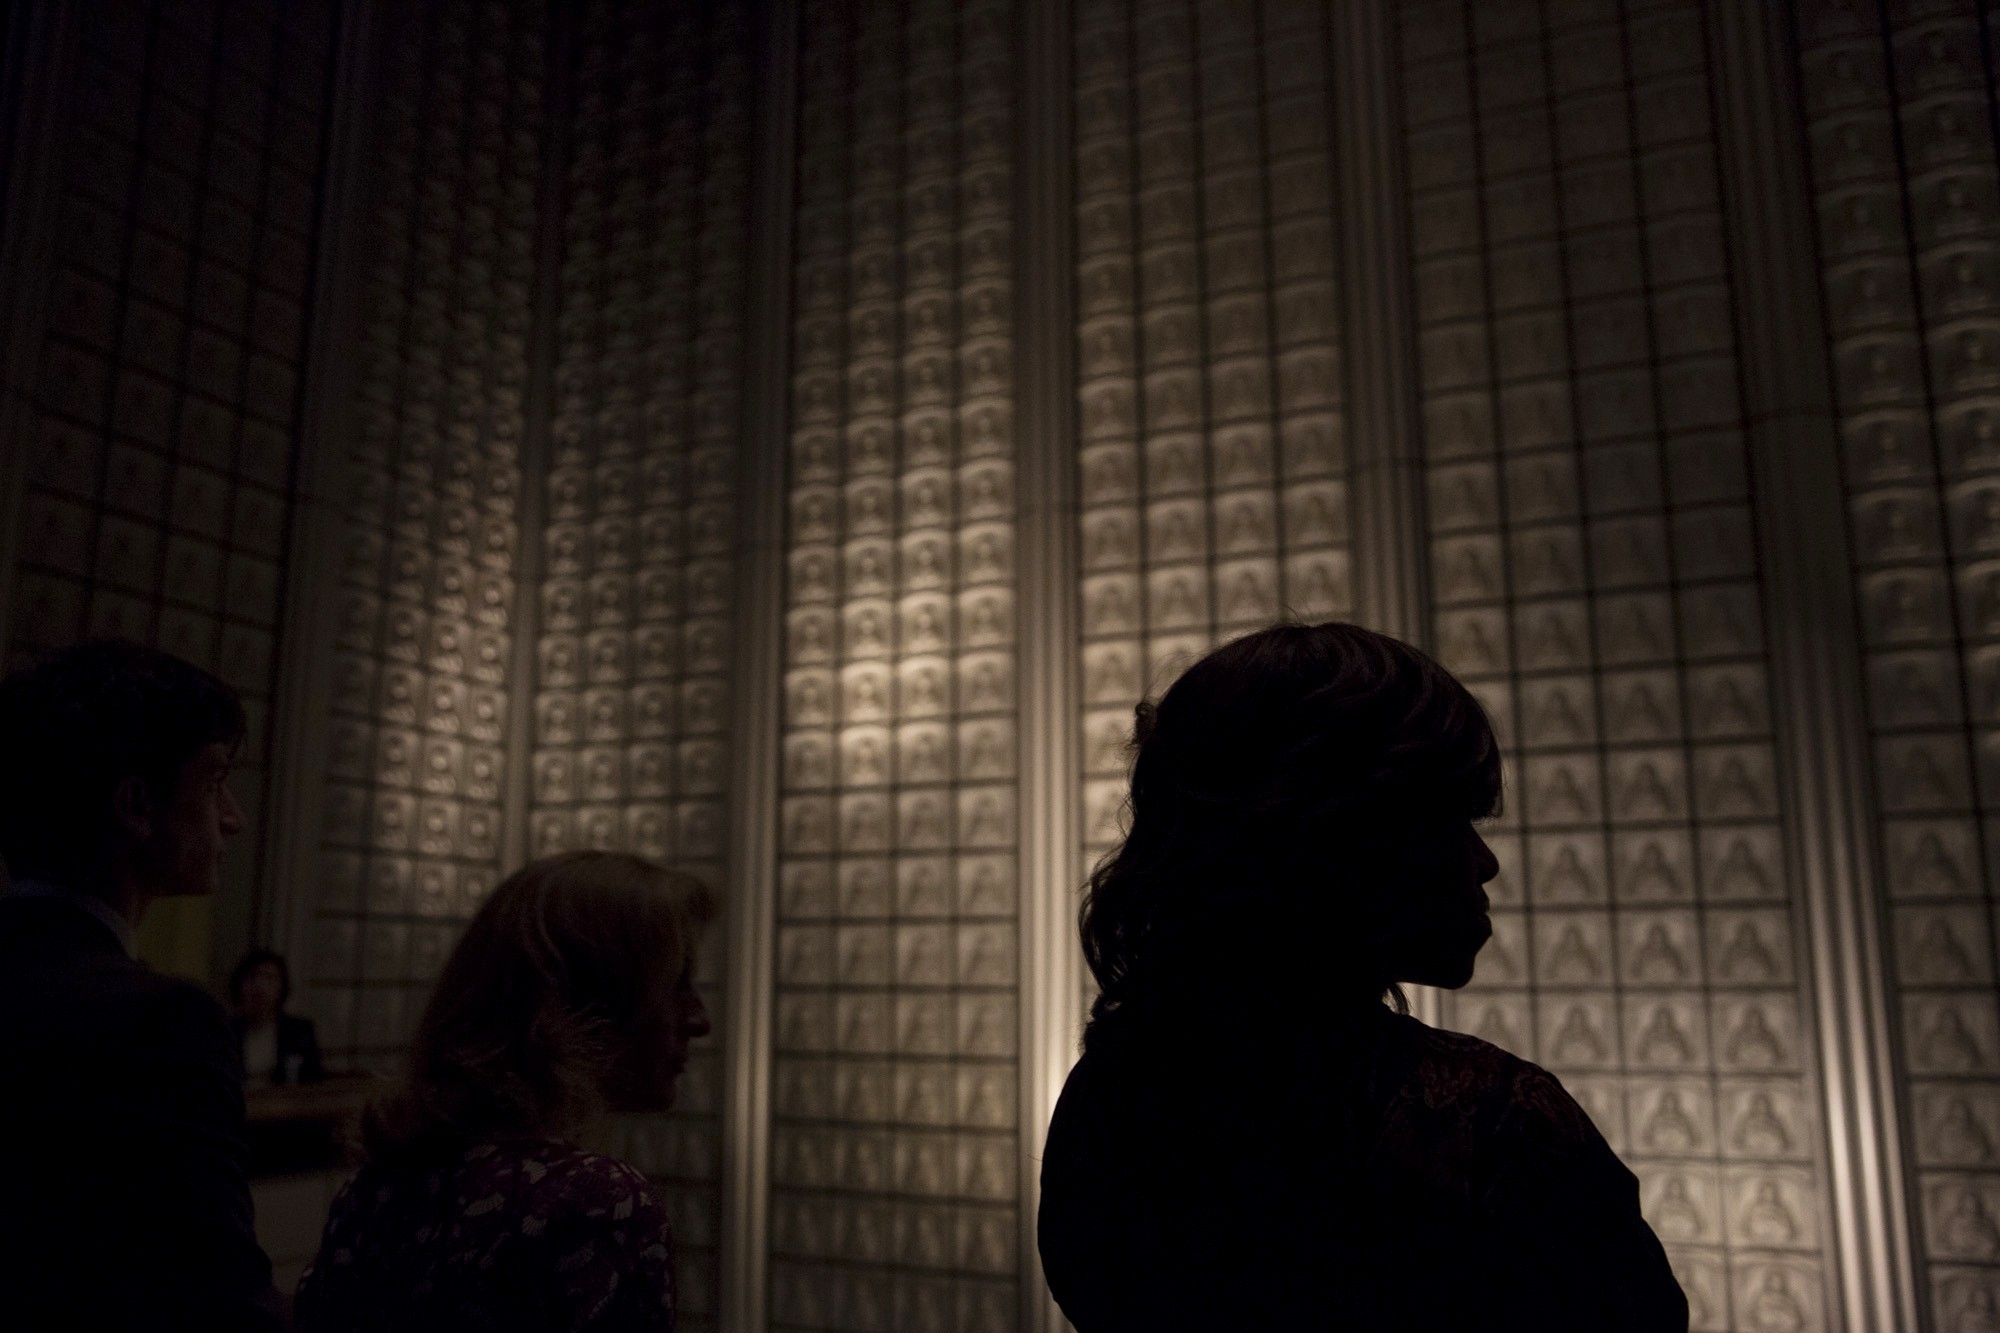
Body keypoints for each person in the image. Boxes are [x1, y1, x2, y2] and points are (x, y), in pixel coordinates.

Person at [1038, 622, 1688, 1332]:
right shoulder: (1496, 1128)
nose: (1483, 860)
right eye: (1450, 818)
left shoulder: (1106, 1099)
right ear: (1338, 832)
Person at [294, 850, 714, 1332]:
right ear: (584, 1004)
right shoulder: (595, 1205)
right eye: (675, 984)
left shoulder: (374, 1190)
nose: (699, 1020)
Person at [0, 639, 283, 1331]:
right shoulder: (161, 1023)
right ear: (137, 805)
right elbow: (215, 1303)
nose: (234, 817)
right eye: (214, 780)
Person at [229, 947, 325, 1087]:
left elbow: (314, 1080)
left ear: (282, 987)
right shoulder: (226, 1030)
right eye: (251, 977)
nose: (259, 987)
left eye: (270, 978)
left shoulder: (299, 1031)